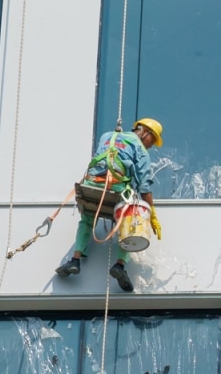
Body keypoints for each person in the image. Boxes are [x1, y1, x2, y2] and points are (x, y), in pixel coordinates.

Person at [54, 118, 164, 293]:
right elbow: (144, 186)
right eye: (153, 140)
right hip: (116, 186)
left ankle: (75, 260)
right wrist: (152, 216)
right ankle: (120, 265)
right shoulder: (141, 150)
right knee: (130, 220)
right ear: (144, 132)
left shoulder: (107, 136)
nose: (152, 146)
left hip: (92, 183)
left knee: (88, 218)